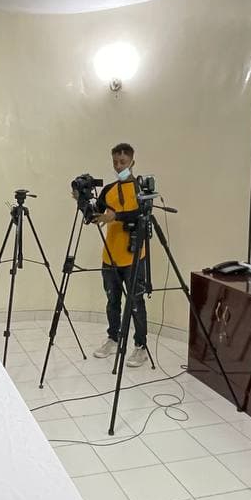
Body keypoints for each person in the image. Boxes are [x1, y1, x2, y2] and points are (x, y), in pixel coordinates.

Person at [92, 142, 150, 369]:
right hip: (110, 255)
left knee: (136, 302)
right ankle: (113, 338)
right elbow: (95, 214)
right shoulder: (108, 190)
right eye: (115, 162)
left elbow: (139, 213)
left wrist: (114, 217)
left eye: (123, 162)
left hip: (133, 257)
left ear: (132, 162)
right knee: (112, 301)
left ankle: (140, 346)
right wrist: (83, 202)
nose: (118, 166)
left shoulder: (140, 189)